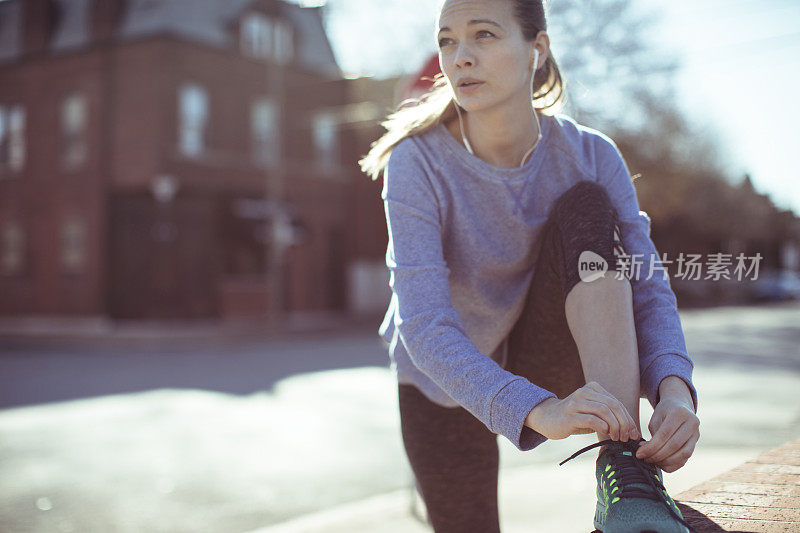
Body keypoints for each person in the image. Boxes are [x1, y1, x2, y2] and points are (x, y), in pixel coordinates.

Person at [359, 1, 701, 531]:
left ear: (536, 49)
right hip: (444, 377)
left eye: (484, 35)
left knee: (586, 204)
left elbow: (647, 287)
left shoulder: (591, 153)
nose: (460, 57)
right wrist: (537, 410)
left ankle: (627, 468)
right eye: (447, 40)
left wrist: (674, 388)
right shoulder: (416, 161)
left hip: (546, 342)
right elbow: (422, 323)